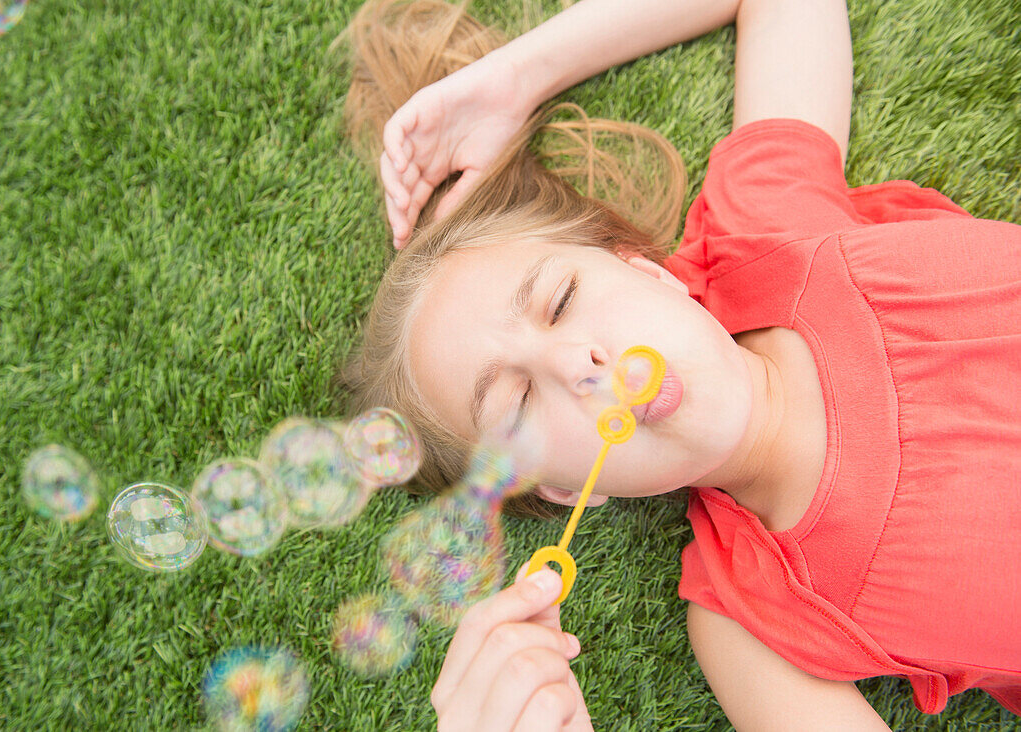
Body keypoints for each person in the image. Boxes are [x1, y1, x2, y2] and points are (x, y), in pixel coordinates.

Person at [341, 0, 1021, 728]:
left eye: (563, 299)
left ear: (650, 274)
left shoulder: (766, 229)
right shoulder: (750, 626)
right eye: (517, 405)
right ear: (569, 492)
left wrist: (515, 78)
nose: (579, 363)